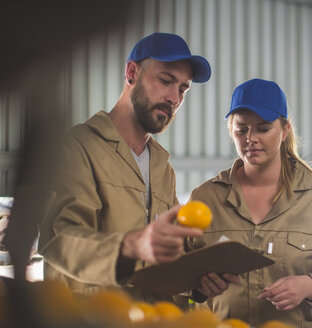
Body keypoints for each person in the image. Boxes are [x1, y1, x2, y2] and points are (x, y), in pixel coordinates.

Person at [38, 32, 237, 302]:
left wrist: (197, 283)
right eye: (166, 80)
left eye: (182, 89)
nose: (174, 98)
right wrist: (132, 245)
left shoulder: (163, 168)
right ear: (132, 72)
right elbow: (59, 243)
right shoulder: (76, 148)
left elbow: (160, 259)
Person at [185, 78, 312, 327]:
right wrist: (197, 287)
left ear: (284, 129)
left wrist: (310, 285)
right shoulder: (205, 199)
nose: (251, 138)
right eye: (241, 129)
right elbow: (178, 280)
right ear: (231, 131)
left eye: (263, 128)